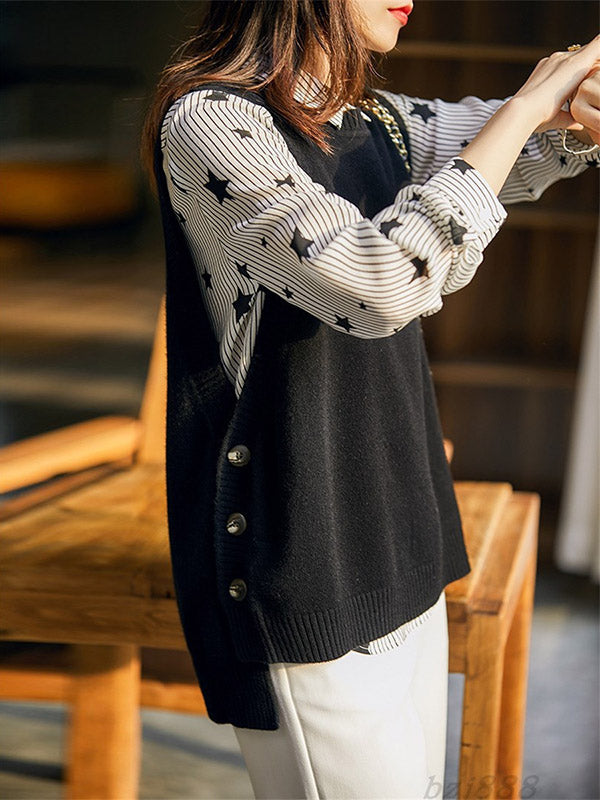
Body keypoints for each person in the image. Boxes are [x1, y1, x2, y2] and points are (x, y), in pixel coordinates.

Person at [140, 1, 600, 797]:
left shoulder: (376, 119)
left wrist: (569, 112)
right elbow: (380, 281)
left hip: (400, 534)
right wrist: (529, 106)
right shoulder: (212, 120)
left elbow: (504, 155)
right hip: (301, 557)